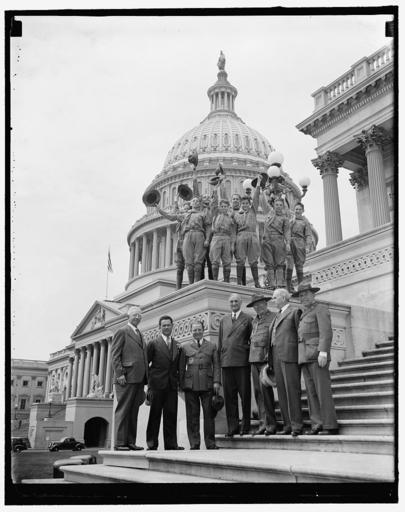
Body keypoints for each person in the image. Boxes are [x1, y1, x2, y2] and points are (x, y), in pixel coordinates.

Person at [293, 282, 339, 435]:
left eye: (306, 294)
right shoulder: (303, 313)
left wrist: (323, 352)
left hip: (317, 356)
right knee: (311, 393)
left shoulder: (320, 309)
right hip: (305, 357)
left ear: (313, 294)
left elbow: (326, 332)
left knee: (322, 392)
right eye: (301, 295)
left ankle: (329, 425)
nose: (303, 297)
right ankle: (317, 424)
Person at [179, 320, 221, 449]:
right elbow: (181, 368)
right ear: (191, 331)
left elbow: (216, 365)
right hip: (190, 385)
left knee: (209, 415)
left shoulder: (212, 346)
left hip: (207, 384)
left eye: (199, 329)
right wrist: (181, 385)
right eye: (194, 330)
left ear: (203, 330)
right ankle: (194, 443)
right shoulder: (185, 347)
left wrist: (216, 381)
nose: (197, 332)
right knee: (192, 415)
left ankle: (210, 443)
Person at [111, 306, 148, 451]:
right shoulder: (122, 331)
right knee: (123, 410)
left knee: (133, 412)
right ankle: (120, 443)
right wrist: (119, 373)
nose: (137, 317)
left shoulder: (139, 333)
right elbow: (115, 355)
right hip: (125, 378)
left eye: (139, 315)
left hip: (138, 379)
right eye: (134, 315)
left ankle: (131, 442)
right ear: (128, 316)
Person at [268, 288, 303, 437]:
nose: (273, 300)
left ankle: (296, 425)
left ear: (283, 298)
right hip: (276, 356)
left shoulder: (294, 312)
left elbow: (300, 335)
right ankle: (287, 424)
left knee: (292, 391)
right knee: (282, 392)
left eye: (275, 297)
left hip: (290, 356)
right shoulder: (276, 315)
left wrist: (300, 356)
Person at [146, 315, 184, 451]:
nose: (166, 327)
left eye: (168, 325)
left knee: (171, 416)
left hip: (172, 386)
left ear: (172, 326)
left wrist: (179, 384)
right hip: (156, 385)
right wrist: (149, 386)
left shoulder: (177, 345)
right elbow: (146, 364)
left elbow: (179, 366)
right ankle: (152, 444)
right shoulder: (153, 344)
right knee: (154, 416)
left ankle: (171, 444)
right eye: (164, 325)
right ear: (160, 327)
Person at [218, 293, 252, 436]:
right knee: (229, 397)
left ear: (241, 302)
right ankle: (232, 427)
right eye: (231, 301)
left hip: (242, 362)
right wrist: (220, 361)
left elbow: (252, 341)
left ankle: (245, 426)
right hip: (226, 363)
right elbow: (220, 342)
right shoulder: (223, 320)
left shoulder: (248, 318)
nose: (233, 304)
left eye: (236, 301)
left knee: (245, 395)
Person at [247, 293, 277, 435]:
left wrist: (270, 358)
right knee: (258, 393)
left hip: (265, 359)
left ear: (266, 303)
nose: (258, 307)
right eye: (255, 305)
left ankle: (271, 424)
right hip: (253, 359)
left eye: (260, 304)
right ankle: (263, 423)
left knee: (266, 393)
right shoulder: (254, 321)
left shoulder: (273, 317)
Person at [232, 176, 262, 287]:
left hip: (252, 236)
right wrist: (233, 242)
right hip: (241, 237)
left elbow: (256, 197)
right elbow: (234, 229)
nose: (245, 205)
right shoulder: (236, 214)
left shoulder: (253, 211)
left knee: (253, 260)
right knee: (240, 260)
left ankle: (257, 282)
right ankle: (239, 282)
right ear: (241, 204)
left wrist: (258, 185)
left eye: (246, 203)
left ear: (250, 204)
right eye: (243, 203)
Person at [155, 199, 191, 289]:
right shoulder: (181, 216)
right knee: (179, 267)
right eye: (184, 209)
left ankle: (191, 285)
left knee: (189, 265)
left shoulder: (189, 216)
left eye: (187, 209)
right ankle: (178, 288)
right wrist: (175, 202)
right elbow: (173, 214)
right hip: (180, 242)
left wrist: (160, 210)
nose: (185, 211)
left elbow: (171, 216)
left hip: (188, 242)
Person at [261, 195, 291, 290]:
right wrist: (262, 191)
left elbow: (287, 231)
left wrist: (288, 243)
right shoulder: (268, 214)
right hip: (267, 240)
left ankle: (280, 284)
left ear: (283, 206)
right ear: (274, 205)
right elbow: (263, 202)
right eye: (277, 204)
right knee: (269, 263)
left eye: (280, 205)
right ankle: (271, 284)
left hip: (278, 239)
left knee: (279, 263)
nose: (278, 206)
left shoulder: (284, 218)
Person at [182, 195, 212, 284]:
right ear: (191, 204)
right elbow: (172, 216)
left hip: (200, 235)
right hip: (189, 235)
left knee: (199, 262)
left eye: (197, 201)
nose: (195, 202)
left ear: (199, 204)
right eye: (193, 201)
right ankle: (191, 284)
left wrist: (207, 239)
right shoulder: (186, 214)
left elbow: (208, 227)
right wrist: (160, 210)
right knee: (189, 263)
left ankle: (197, 282)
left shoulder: (203, 214)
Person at [286, 202, 313, 293]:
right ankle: (288, 286)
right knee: (289, 263)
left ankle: (300, 286)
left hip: (300, 243)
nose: (297, 211)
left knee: (299, 265)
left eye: (299, 209)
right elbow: (286, 231)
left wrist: (308, 246)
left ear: (303, 211)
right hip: (291, 242)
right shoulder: (291, 220)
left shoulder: (305, 222)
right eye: (296, 209)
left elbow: (308, 235)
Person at [209, 194, 236, 282]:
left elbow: (233, 233)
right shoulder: (215, 215)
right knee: (215, 261)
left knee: (227, 261)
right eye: (222, 206)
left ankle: (226, 281)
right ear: (219, 207)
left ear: (228, 207)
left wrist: (232, 245)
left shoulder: (231, 218)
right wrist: (215, 191)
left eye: (225, 206)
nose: (224, 208)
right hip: (216, 237)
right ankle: (215, 281)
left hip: (226, 238)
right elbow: (213, 205)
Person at [231, 193, 246, 285]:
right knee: (226, 261)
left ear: (240, 201)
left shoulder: (243, 212)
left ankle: (242, 283)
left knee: (241, 260)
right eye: (234, 199)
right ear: (231, 201)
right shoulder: (227, 211)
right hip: (228, 238)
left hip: (239, 238)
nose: (235, 200)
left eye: (237, 199)